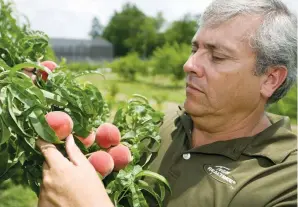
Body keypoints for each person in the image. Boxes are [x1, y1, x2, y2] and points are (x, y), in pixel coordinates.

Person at [30, 0, 297, 206]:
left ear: (270, 79)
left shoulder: (284, 181)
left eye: (217, 57)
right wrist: (40, 96)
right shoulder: (159, 126)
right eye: (195, 49)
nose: (189, 65)